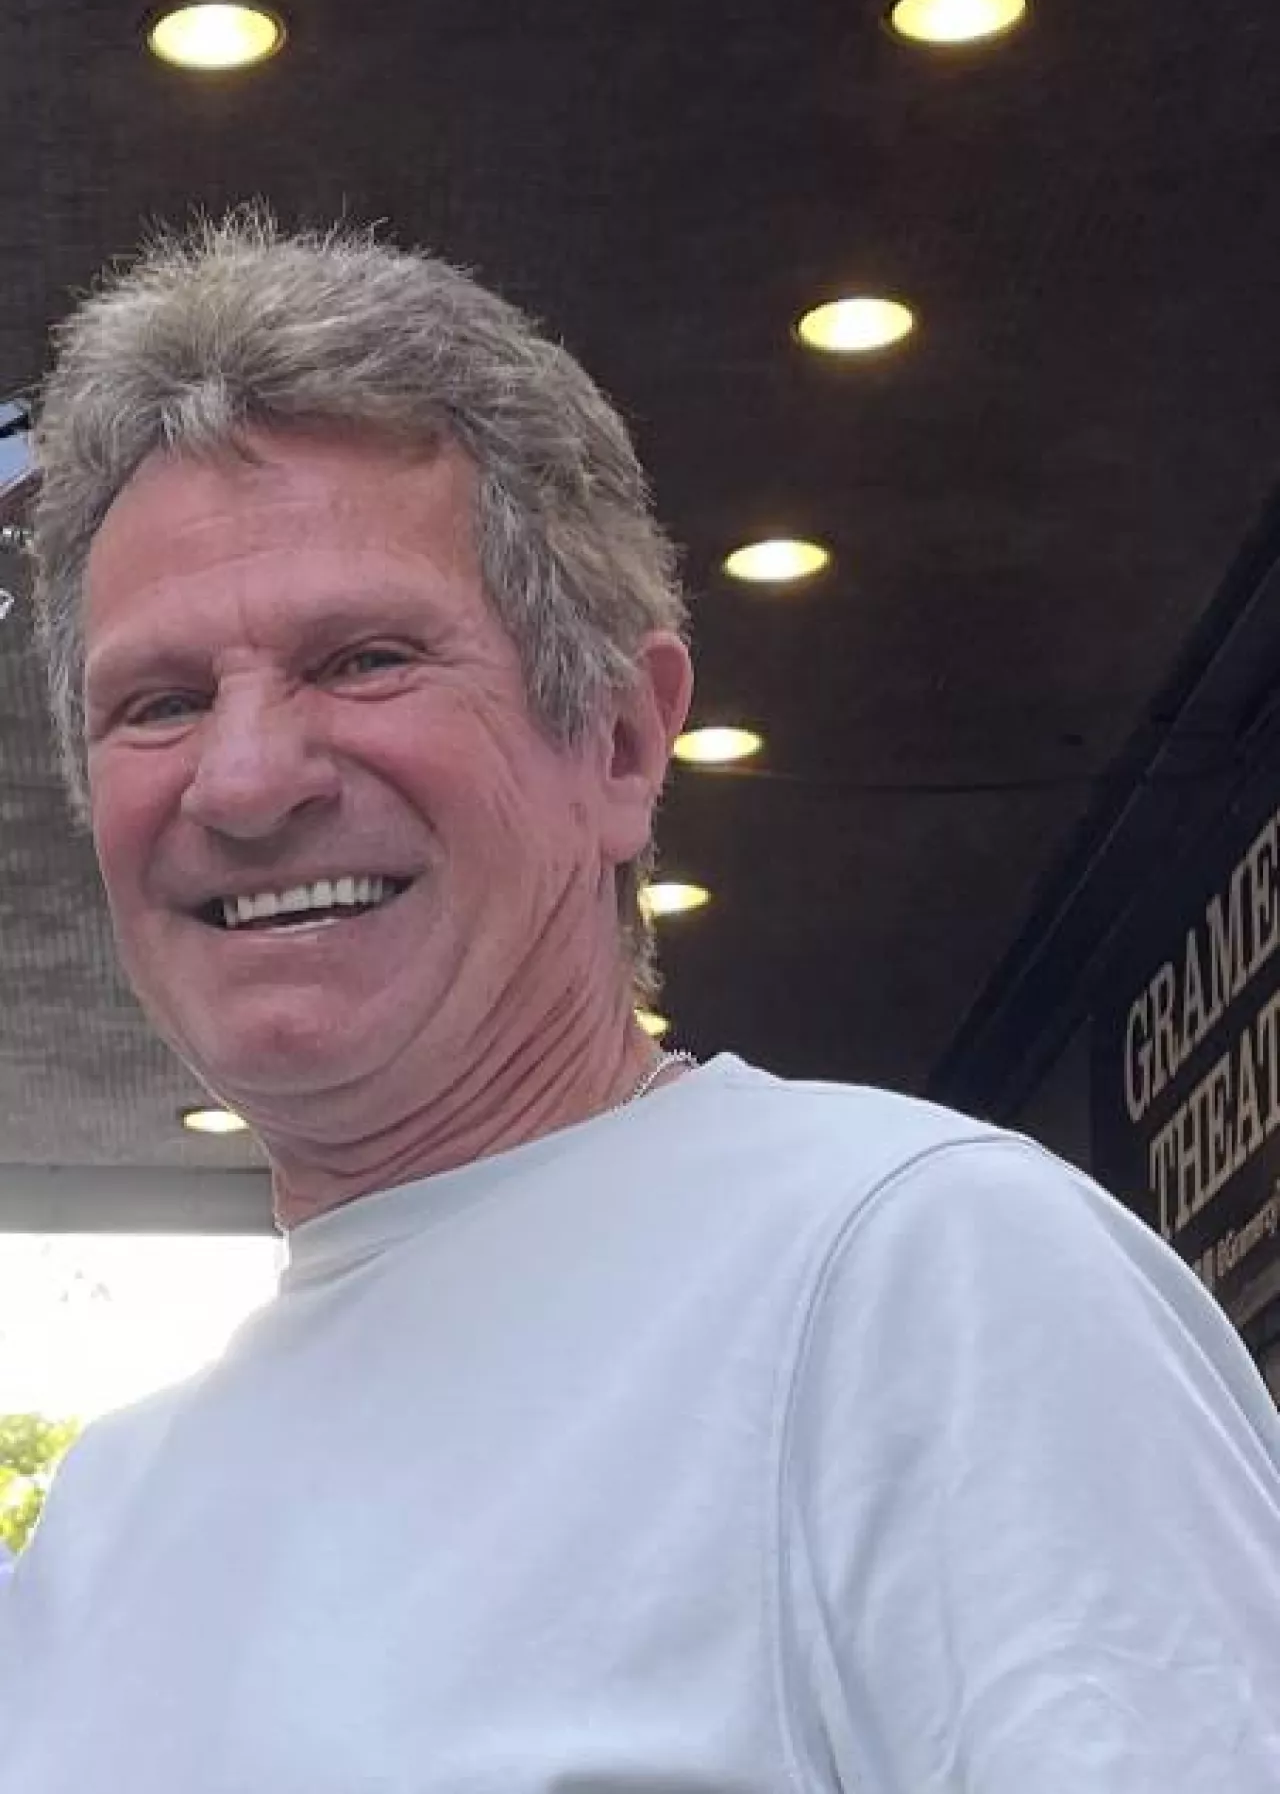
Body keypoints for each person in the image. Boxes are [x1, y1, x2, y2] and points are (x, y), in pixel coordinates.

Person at [2, 210, 1277, 1793]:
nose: (247, 776)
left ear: (618, 741)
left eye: (364, 658)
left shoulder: (917, 1273)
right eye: (161, 700)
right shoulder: (101, 1529)